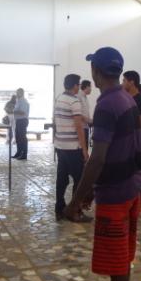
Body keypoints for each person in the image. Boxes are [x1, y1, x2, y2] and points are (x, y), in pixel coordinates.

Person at [64, 47, 141, 281]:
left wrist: (75, 201)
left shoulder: (108, 104)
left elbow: (98, 158)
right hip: (130, 186)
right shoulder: (126, 98)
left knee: (117, 258)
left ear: (96, 72)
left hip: (117, 193)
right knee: (122, 254)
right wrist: (92, 191)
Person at [54, 74, 90, 222]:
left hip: (60, 145)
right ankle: (75, 211)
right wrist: (84, 149)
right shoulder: (74, 101)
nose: (78, 87)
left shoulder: (59, 98)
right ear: (75, 85)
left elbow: (55, 120)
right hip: (73, 147)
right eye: (78, 84)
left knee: (61, 179)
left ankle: (59, 208)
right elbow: (78, 126)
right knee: (80, 180)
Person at [122, 70, 141, 208]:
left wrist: (136, 145)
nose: (122, 83)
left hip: (137, 144)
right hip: (125, 143)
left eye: (124, 81)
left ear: (131, 82)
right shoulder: (123, 98)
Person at [13, 88, 30, 160]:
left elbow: (23, 112)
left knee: (22, 138)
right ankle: (18, 152)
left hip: (22, 121)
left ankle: (24, 154)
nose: (16, 94)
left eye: (18, 93)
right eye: (16, 92)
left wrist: (13, 111)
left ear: (22, 93)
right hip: (18, 120)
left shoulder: (24, 101)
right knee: (18, 137)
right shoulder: (18, 101)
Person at [78, 79, 93, 149]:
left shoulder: (85, 97)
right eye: (90, 87)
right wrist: (89, 120)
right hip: (81, 127)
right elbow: (78, 113)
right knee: (82, 148)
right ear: (86, 87)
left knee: (86, 147)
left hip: (85, 126)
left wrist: (90, 120)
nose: (91, 89)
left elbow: (85, 112)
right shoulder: (79, 96)